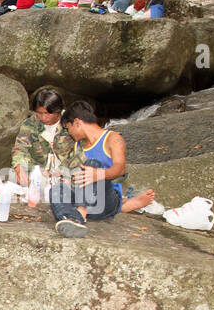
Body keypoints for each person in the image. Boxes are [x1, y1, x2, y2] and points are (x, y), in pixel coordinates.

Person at [49, 101, 157, 238]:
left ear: (77, 122)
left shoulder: (113, 139)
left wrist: (98, 175)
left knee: (93, 164)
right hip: (88, 205)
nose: (69, 132)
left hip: (105, 200)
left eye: (68, 127)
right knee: (58, 188)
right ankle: (73, 219)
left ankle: (83, 210)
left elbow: (120, 168)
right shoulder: (78, 145)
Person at [11, 88, 78, 190]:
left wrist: (61, 171)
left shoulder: (71, 122)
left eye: (47, 113)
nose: (43, 117)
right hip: (38, 174)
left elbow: (82, 150)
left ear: (58, 110)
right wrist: (19, 167)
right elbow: (20, 148)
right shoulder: (31, 124)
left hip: (67, 173)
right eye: (39, 113)